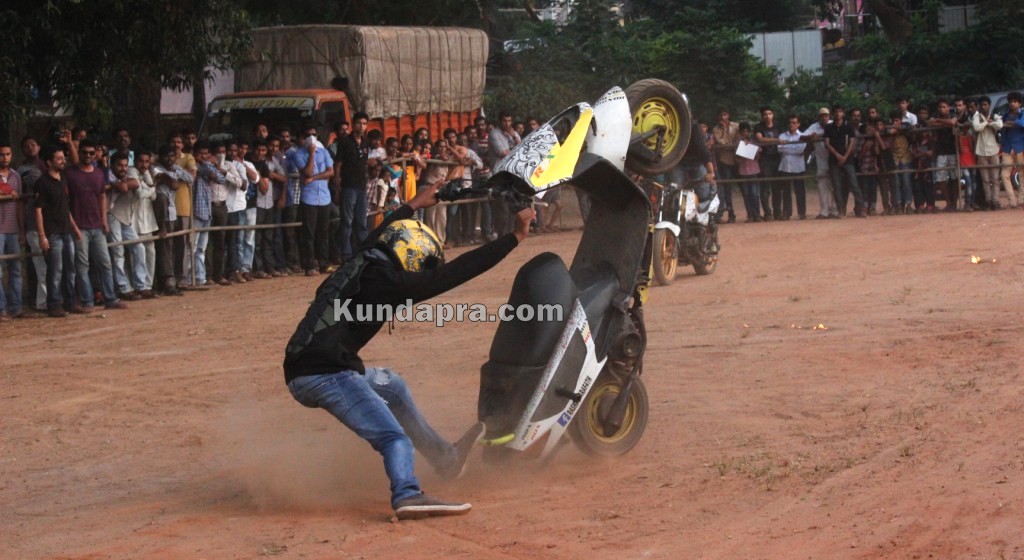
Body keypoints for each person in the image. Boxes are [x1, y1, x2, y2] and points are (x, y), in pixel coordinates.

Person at [282, 181, 535, 520]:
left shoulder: (364, 259)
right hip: (324, 372)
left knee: (393, 386)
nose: (424, 273)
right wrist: (514, 237)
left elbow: (383, 232)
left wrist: (414, 203)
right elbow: (455, 273)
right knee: (394, 439)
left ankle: (445, 459)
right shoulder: (390, 284)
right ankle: (407, 494)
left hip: (308, 364)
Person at [65, 141, 125, 309]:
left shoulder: (98, 173)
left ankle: (110, 298)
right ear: (80, 153)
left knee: (105, 263)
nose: (88, 156)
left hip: (96, 225)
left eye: (91, 153)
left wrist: (104, 219)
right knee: (82, 265)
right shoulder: (70, 174)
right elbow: (65, 200)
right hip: (80, 225)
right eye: (84, 152)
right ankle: (87, 300)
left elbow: (102, 196)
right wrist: (73, 226)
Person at [34, 145, 81, 317]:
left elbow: (64, 207)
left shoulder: (62, 179)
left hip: (66, 230)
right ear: (49, 162)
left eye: (63, 158)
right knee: (55, 270)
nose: (63, 161)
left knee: (70, 268)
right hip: (52, 232)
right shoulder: (42, 183)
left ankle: (70, 302)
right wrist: (42, 236)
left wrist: (74, 227)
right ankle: (54, 304)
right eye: (59, 158)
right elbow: (38, 210)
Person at [287, 124, 335, 276]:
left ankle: (324, 263)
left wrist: (314, 177)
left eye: (314, 134)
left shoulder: (324, 151)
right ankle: (309, 265)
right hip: (309, 198)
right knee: (309, 233)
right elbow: (306, 172)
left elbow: (330, 172)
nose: (312, 137)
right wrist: (312, 154)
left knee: (323, 231)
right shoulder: (299, 154)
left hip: (324, 197)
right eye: (308, 135)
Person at [824, 105, 864, 217]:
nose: (838, 114)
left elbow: (851, 143)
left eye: (840, 111)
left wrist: (844, 157)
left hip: (848, 159)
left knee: (854, 184)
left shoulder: (848, 127)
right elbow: (827, 143)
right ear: (833, 114)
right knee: (837, 186)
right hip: (833, 159)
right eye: (836, 112)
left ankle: (861, 208)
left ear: (843, 113)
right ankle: (841, 209)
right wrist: (837, 155)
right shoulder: (829, 127)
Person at [0, 142, 23, 320]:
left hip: (13, 228)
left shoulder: (16, 176)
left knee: (15, 269)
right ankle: (2, 309)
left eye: (8, 154)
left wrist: (22, 230)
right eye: (2, 154)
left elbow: (20, 204)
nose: (5, 158)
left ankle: (16, 306)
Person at [803, 108, 839, 219]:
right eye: (822, 116)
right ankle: (824, 211)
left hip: (834, 160)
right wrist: (811, 136)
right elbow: (802, 136)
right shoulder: (814, 127)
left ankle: (835, 210)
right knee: (822, 186)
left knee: (835, 186)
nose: (824, 117)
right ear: (819, 117)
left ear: (829, 116)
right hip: (821, 161)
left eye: (826, 115)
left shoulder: (834, 124)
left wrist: (821, 135)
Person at [971, 96, 1003, 210]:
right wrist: (987, 122)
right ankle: (988, 201)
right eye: (982, 105)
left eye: (986, 105)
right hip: (981, 151)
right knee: (985, 179)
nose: (984, 107)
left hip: (993, 150)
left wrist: (991, 122)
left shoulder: (995, 115)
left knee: (995, 178)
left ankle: (996, 200)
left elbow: (1000, 125)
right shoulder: (976, 117)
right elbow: (976, 128)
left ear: (989, 105)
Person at [753, 106, 782, 220]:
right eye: (765, 114)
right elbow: (760, 139)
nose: (768, 116)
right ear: (762, 116)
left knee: (777, 187)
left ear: (773, 115)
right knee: (765, 188)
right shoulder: (758, 127)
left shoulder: (778, 126)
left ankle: (778, 212)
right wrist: (776, 140)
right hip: (764, 159)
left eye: (770, 113)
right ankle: (767, 213)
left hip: (777, 158)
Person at [711, 109, 740, 223]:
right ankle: (728, 213)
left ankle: (752, 213)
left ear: (729, 115)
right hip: (724, 160)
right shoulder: (716, 129)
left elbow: (739, 140)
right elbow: (723, 143)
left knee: (745, 185)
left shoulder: (736, 126)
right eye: (721, 115)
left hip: (737, 159)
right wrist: (724, 130)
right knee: (725, 187)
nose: (723, 117)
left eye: (725, 114)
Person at [777, 115, 807, 220]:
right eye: (790, 122)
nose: (791, 124)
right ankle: (786, 213)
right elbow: (779, 149)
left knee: (800, 191)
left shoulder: (803, 136)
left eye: (794, 122)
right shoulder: (782, 135)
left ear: (798, 124)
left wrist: (787, 147)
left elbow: (800, 150)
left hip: (798, 167)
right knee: (786, 192)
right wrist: (793, 147)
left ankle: (802, 213)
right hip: (786, 167)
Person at [999, 91, 1024, 209]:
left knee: (1022, 173)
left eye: (1015, 101)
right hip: (1008, 148)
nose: (1012, 104)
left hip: (1020, 147)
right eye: (1010, 102)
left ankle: (1022, 199)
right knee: (1005, 175)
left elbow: (1022, 124)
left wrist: (1011, 123)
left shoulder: (1022, 114)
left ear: (1019, 103)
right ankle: (1012, 200)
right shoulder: (1005, 115)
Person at [735, 122, 761, 222]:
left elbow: (758, 156)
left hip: (753, 170)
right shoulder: (737, 143)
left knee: (754, 193)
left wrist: (748, 149)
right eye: (743, 131)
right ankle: (750, 215)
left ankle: (757, 214)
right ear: (740, 132)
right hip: (743, 171)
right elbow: (736, 158)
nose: (745, 133)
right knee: (746, 194)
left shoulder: (754, 142)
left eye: (746, 131)